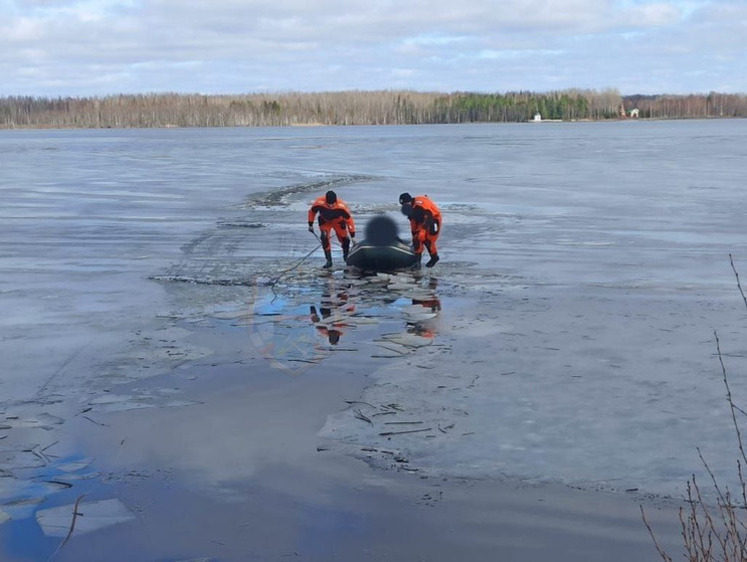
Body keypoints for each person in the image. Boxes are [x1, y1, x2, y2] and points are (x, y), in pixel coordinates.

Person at [308, 190, 356, 268]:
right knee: (324, 238)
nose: (330, 206)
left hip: (338, 222)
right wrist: (310, 224)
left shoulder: (342, 207)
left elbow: (349, 221)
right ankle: (329, 261)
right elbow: (312, 212)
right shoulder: (319, 203)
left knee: (345, 240)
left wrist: (353, 235)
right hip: (325, 221)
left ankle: (346, 258)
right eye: (329, 204)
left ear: (335, 201)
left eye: (332, 204)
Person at [399, 192, 441, 267]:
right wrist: (414, 234)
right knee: (417, 239)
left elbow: (429, 216)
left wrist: (423, 230)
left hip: (433, 218)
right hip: (421, 220)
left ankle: (434, 257)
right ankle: (417, 262)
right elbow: (413, 223)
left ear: (409, 201)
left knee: (428, 239)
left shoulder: (420, 205)